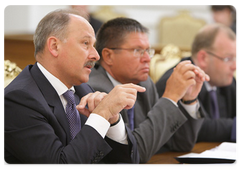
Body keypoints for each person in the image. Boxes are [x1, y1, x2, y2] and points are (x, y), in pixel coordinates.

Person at [2, 9, 146, 164]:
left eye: (94, 45)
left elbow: (130, 161)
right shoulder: (18, 100)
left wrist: (112, 120)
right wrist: (102, 113)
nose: (96, 55)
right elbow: (60, 165)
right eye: (86, 43)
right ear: (54, 46)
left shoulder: (83, 90)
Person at [88, 17, 210, 163]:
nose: (147, 58)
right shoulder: (95, 90)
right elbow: (135, 153)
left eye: (148, 51)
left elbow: (180, 144)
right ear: (108, 56)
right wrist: (171, 97)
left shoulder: (145, 84)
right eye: (138, 50)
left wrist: (189, 99)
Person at [156, 23, 237, 143]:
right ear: (203, 58)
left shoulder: (227, 81)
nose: (235, 66)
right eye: (228, 59)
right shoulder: (176, 81)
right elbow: (198, 128)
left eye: (236, 58)